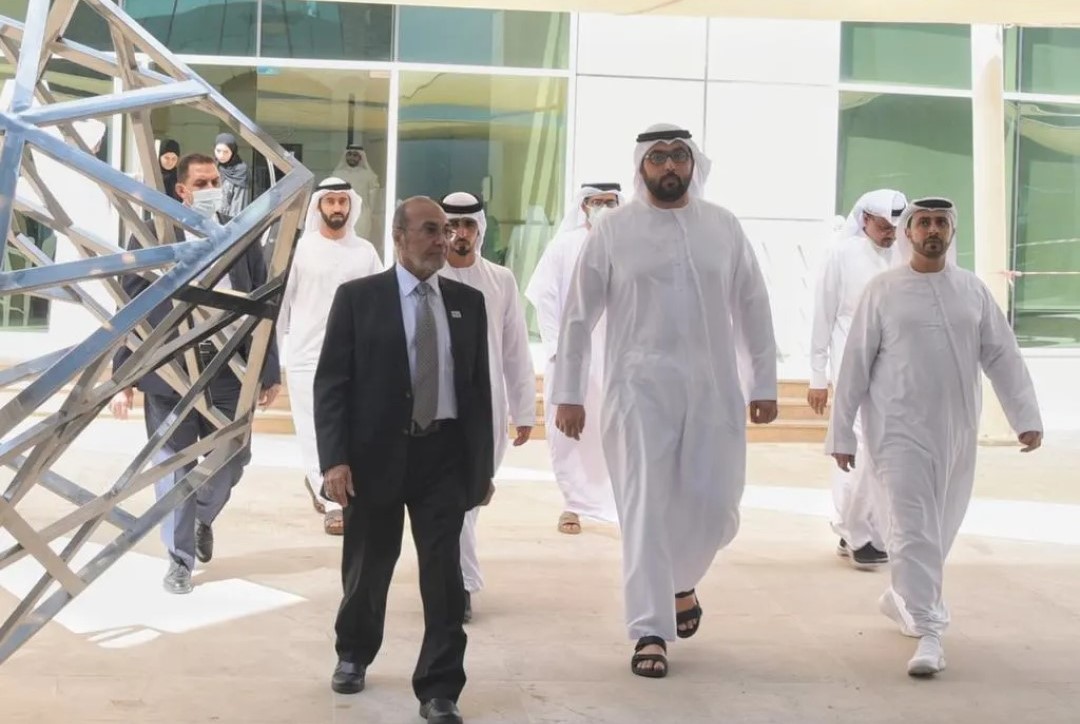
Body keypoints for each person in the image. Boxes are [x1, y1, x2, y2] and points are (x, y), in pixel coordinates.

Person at [551, 123, 778, 679]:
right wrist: (569, 393)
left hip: (713, 389)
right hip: (638, 391)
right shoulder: (614, 230)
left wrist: (764, 383)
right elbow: (578, 316)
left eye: (679, 155)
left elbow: (753, 305)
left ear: (693, 163)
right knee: (645, 508)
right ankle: (650, 629)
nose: (670, 165)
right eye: (658, 157)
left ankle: (680, 581)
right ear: (641, 167)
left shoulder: (723, 226)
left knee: (715, 504)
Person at [827, 197, 1042, 678]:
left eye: (940, 223)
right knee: (912, 530)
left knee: (939, 530)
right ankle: (928, 630)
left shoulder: (972, 291)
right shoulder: (883, 291)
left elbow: (1003, 356)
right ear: (908, 233)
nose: (932, 230)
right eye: (922, 222)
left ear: (951, 231)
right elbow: (855, 364)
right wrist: (841, 433)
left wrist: (1025, 416)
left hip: (955, 432)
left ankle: (903, 598)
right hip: (896, 432)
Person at [315, 197, 493, 724]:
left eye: (446, 231)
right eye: (430, 230)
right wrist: (335, 459)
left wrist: (481, 467)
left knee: (443, 577)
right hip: (375, 457)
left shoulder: (467, 303)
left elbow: (478, 391)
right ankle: (354, 651)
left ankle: (440, 687)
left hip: (443, 456)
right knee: (368, 566)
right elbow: (332, 383)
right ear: (398, 236)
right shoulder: (358, 299)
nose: (442, 240)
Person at [109, 152, 282, 594]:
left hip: (229, 367)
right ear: (182, 190)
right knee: (174, 465)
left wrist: (269, 368)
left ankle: (201, 513)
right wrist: (123, 375)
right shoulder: (152, 237)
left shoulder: (241, 235)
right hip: (171, 371)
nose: (211, 190)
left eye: (215, 183)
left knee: (234, 455)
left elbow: (264, 303)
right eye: (201, 184)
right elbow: (131, 309)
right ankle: (179, 559)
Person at [438, 191, 534, 623]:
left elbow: (515, 349)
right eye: (452, 226)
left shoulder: (501, 280)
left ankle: (454, 578)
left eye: (468, 226)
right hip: (439, 405)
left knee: (471, 497)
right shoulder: (426, 276)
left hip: (489, 406)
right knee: (451, 497)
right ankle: (459, 584)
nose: (460, 234)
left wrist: (524, 409)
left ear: (480, 230)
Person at [808, 188, 907, 569]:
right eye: (883, 226)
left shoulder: (904, 254)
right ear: (864, 219)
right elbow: (823, 315)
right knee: (853, 443)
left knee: (883, 447)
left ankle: (861, 530)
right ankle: (854, 532)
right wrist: (818, 376)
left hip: (894, 364)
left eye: (895, 227)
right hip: (849, 360)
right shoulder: (841, 254)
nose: (890, 234)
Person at [278, 177, 382, 535]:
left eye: (342, 201)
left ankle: (335, 487)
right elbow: (280, 309)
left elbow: (380, 307)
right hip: (307, 356)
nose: (337, 208)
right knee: (313, 430)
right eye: (330, 201)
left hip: (354, 359)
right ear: (319, 206)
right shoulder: (300, 250)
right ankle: (333, 502)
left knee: (349, 429)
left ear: (351, 205)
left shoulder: (365, 252)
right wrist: (270, 363)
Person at [524, 182, 623, 534]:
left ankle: (619, 505)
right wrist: (557, 348)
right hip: (572, 358)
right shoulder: (564, 246)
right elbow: (544, 297)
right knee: (570, 437)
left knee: (617, 434)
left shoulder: (629, 245)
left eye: (610, 202)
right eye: (597, 202)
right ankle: (573, 504)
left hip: (616, 358)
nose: (604, 208)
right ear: (584, 206)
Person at [333, 144, 381, 241]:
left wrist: (369, 212)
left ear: (360, 157)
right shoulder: (337, 174)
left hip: (362, 215)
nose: (352, 157)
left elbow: (373, 197)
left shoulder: (369, 176)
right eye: (349, 154)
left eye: (355, 155)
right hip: (341, 214)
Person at [214, 132, 249, 217]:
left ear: (232, 152)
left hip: (227, 219)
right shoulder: (213, 166)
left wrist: (230, 222)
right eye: (218, 151)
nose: (221, 155)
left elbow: (238, 204)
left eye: (226, 152)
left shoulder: (240, 170)